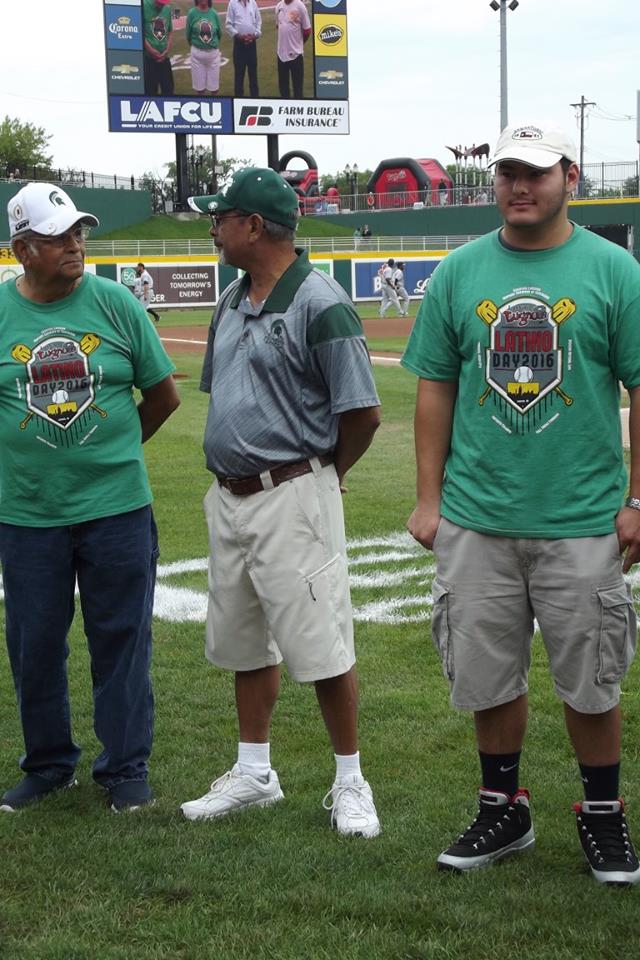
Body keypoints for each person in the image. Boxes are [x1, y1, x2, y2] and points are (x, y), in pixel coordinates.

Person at [402, 122, 640, 885]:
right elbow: (435, 388)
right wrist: (429, 499)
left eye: (535, 172)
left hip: (582, 519)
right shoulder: (460, 272)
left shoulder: (614, 270)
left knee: (590, 677)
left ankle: (603, 815)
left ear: (569, 176)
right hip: (478, 518)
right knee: (487, 672)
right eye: (507, 172)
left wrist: (638, 497)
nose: (519, 185)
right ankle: (503, 807)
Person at [181, 167, 382, 837]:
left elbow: (362, 413)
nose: (213, 227)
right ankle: (254, 771)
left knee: (323, 646)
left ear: (254, 226)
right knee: (244, 641)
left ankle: (351, 781)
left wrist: (328, 474)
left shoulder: (321, 302)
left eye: (222, 217)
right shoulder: (231, 299)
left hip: (293, 490)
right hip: (229, 495)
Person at [0, 182, 179, 813]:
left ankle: (125, 767)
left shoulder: (116, 304)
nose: (75, 244)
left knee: (122, 638)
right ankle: (48, 765)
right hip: (26, 515)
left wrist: (114, 453)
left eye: (78, 232)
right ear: (23, 249)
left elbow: (162, 397)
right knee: (34, 644)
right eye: (58, 237)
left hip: (116, 509)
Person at [225, 0, 262, 98]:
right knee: (239, 76)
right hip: (239, 45)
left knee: (253, 76)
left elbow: (258, 21)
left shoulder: (253, 3)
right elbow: (228, 25)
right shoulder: (233, 3)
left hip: (252, 45)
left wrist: (255, 35)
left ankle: (255, 100)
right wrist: (238, 35)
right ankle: (238, 101)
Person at [275, 0, 311, 99]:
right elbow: (279, 26)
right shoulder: (278, 7)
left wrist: (299, 44)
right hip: (281, 55)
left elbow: (307, 30)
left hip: (296, 55)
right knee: (283, 89)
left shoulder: (300, 6)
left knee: (298, 90)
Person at [186, 0, 222, 96]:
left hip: (213, 54)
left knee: (214, 89)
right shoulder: (192, 13)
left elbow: (219, 34)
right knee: (200, 89)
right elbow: (188, 35)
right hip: (197, 54)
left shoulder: (214, 13)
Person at [143, 0, 174, 96]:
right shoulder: (143, 6)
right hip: (148, 59)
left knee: (168, 89)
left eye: (163, 3)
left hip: (164, 58)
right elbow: (138, 31)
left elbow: (170, 31)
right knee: (150, 91)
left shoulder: (167, 8)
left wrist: (167, 49)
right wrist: (150, 49)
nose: (161, 6)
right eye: (159, 3)